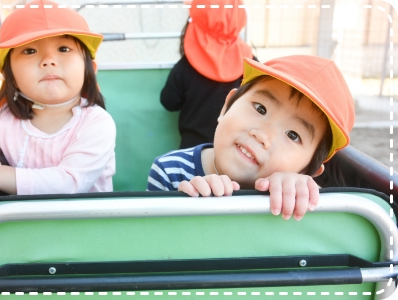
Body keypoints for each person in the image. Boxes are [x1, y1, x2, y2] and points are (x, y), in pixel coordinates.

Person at [148, 55, 355, 221]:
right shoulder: (170, 171)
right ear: (226, 106)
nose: (263, 135)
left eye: (293, 135)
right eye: (261, 108)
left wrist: (303, 193)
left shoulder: (292, 206)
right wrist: (185, 206)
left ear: (308, 170)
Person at [0, 0, 116, 195]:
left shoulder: (96, 123)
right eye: (30, 51)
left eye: (63, 49)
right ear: (8, 73)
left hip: (86, 224)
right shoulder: (5, 119)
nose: (49, 60)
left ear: (90, 69)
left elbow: (69, 183)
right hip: (22, 223)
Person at [161, 0, 256, 149]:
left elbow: (168, 101)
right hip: (234, 152)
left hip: (192, 152)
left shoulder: (185, 66)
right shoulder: (250, 64)